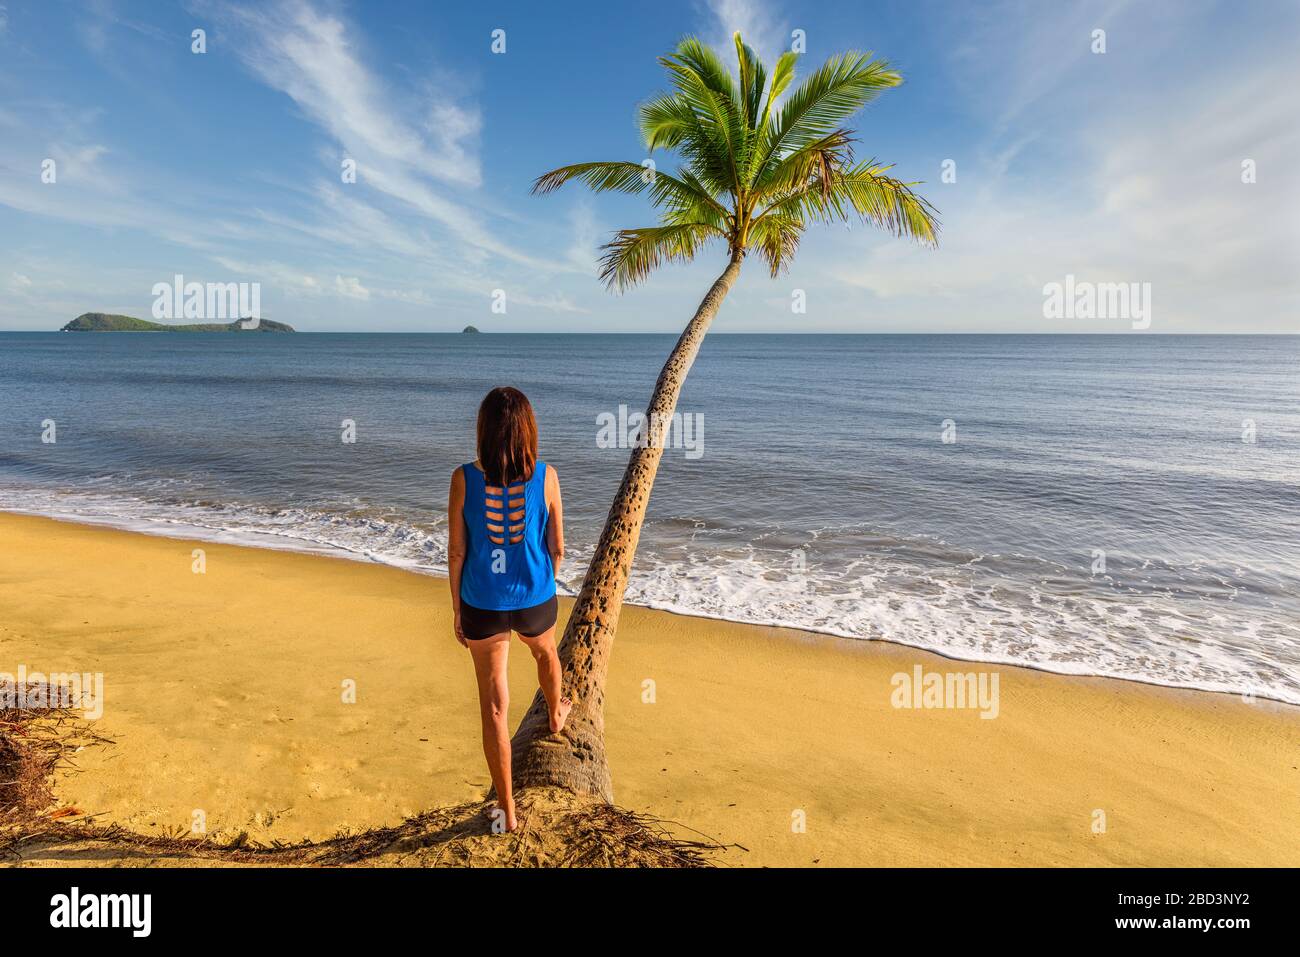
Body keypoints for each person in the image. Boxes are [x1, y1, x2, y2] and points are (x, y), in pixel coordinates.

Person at [447, 386, 571, 833]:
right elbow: (556, 546)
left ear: (483, 430)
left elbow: (457, 552)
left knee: (495, 707)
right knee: (546, 654)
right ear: (528, 430)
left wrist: (457, 609)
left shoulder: (463, 478)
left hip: (482, 603)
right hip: (535, 598)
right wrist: (542, 579)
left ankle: (506, 809)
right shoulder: (548, 476)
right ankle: (557, 714)